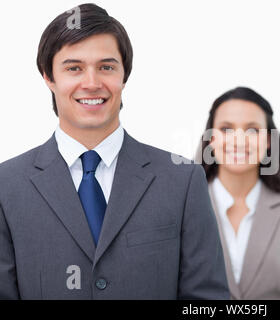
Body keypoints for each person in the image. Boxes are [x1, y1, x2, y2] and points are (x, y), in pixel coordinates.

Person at [0, 3, 229, 300]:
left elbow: (206, 302)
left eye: (106, 67)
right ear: (48, 76)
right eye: (74, 68)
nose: (92, 83)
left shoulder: (182, 180)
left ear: (124, 76)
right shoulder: (7, 186)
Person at [198, 87, 280, 299]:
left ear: (268, 142)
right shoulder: (183, 207)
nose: (238, 140)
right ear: (211, 140)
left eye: (253, 130)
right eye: (226, 129)